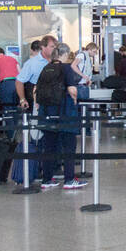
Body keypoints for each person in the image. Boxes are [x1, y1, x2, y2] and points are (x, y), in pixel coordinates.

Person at [34, 44, 87, 189]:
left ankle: (47, 179)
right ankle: (69, 179)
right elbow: (72, 89)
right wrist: (75, 100)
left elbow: (36, 90)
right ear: (65, 54)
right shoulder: (66, 68)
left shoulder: (45, 68)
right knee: (69, 146)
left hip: (47, 112)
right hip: (64, 112)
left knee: (49, 146)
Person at [16, 36, 55, 113]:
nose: (54, 49)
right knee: (38, 123)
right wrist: (22, 100)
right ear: (43, 47)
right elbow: (19, 81)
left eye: (55, 47)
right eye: (52, 46)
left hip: (54, 100)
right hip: (37, 101)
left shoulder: (57, 61)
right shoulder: (31, 63)